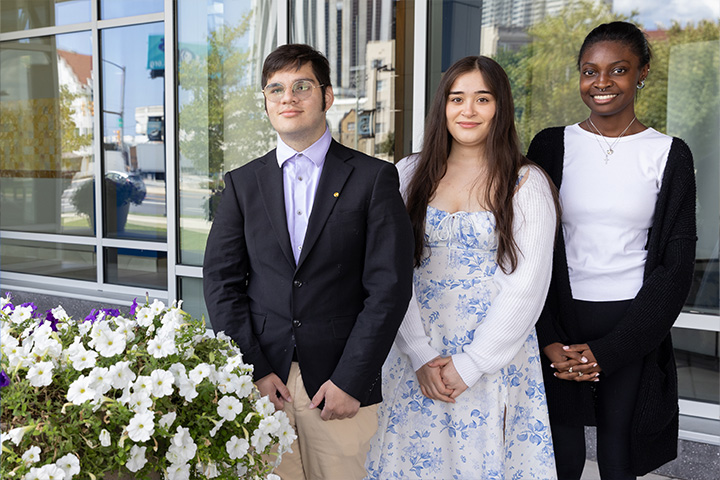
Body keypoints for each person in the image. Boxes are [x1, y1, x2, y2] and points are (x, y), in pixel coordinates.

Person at [203, 43, 414, 479]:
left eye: (302, 86)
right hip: (264, 385)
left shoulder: (373, 178)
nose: (288, 97)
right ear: (266, 102)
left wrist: (351, 379)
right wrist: (254, 371)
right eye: (275, 89)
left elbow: (389, 289)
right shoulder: (242, 184)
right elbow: (221, 284)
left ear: (327, 96)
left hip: (337, 387)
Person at [365, 55, 558, 479]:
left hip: (492, 358)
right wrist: (419, 352)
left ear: (501, 107)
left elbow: (527, 287)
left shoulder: (526, 183)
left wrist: (470, 364)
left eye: (482, 99)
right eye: (457, 98)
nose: (468, 110)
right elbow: (391, 271)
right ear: (443, 106)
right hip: (415, 351)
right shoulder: (407, 174)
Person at [526, 21, 697, 480]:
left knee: (618, 449)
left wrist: (614, 349)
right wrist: (547, 337)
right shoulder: (551, 145)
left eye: (617, 70)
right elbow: (528, 246)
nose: (601, 83)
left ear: (642, 73)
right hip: (559, 316)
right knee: (558, 446)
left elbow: (676, 265)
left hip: (631, 321)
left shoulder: (668, 153)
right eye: (589, 70)